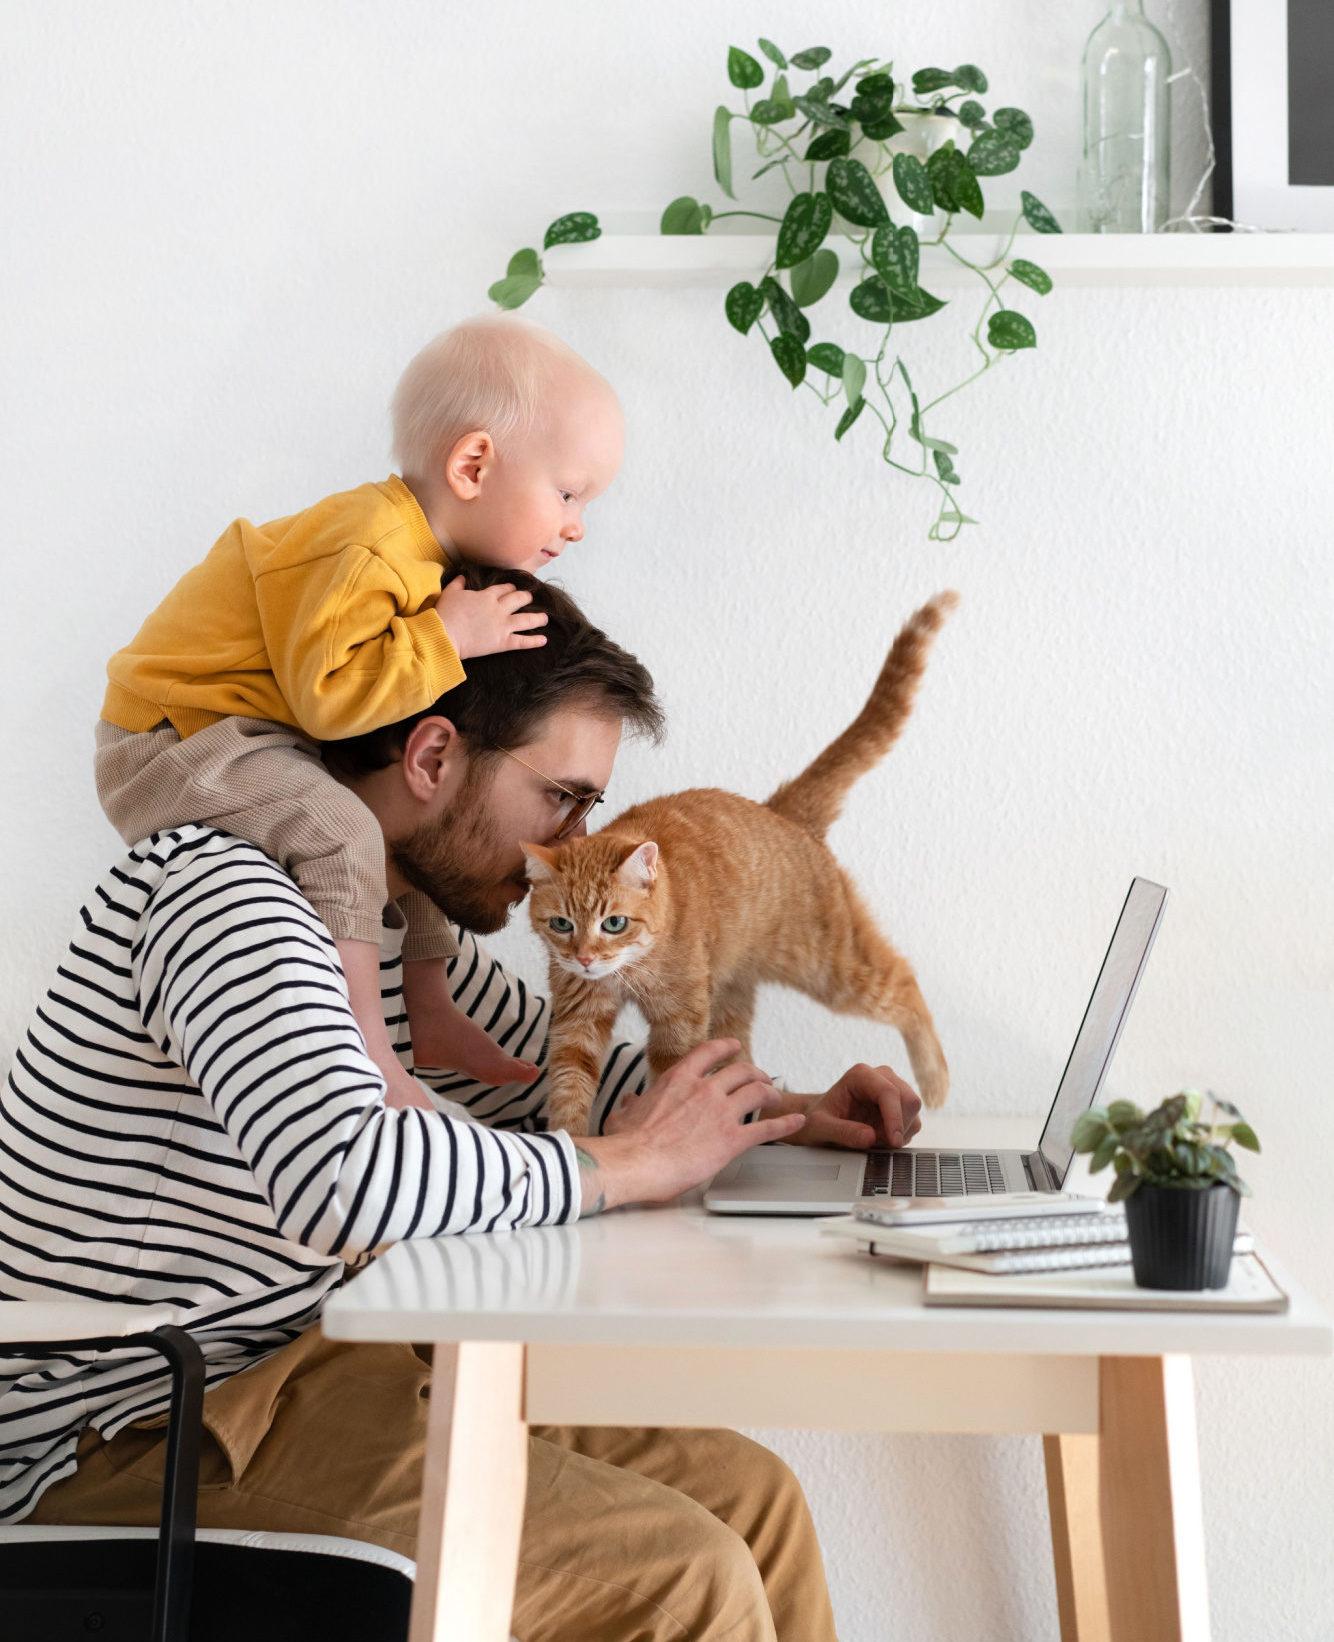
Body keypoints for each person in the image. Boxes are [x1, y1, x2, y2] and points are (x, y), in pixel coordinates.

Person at [5, 569, 924, 1641]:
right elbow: (344, 1177)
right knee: (682, 1574)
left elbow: (550, 1075)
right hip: (124, 1433)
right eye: (562, 796)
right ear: (434, 756)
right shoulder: (225, 894)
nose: (578, 837)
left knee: (753, 1501)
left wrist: (791, 1111)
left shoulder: (388, 928)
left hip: (302, 1372)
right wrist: (625, 1167)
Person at [94, 310, 624, 1112]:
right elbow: (331, 700)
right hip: (173, 736)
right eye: (568, 493)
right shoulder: (369, 547)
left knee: (382, 836)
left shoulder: (417, 554)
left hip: (236, 731)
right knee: (346, 831)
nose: (576, 526)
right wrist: (445, 636)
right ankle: (374, 1045)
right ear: (474, 464)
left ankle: (430, 1009)